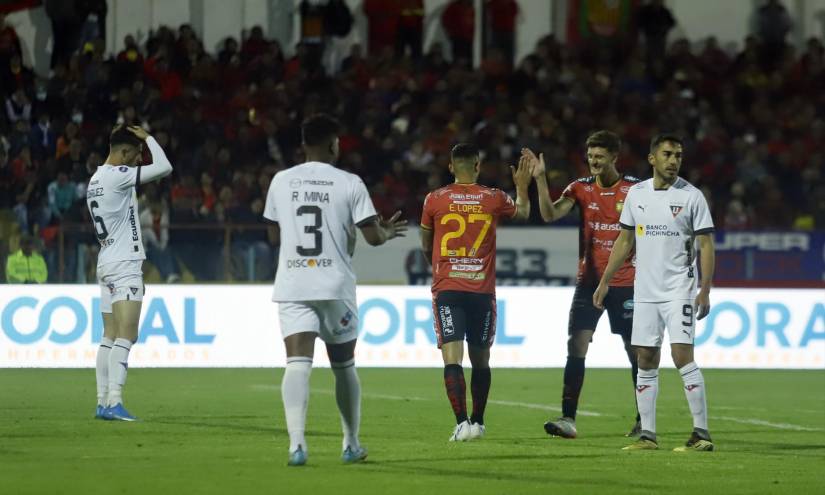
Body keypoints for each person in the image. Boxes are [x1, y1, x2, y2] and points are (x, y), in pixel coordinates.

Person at [263, 113, 407, 466]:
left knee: (297, 363)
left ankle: (297, 445)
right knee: (343, 365)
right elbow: (373, 237)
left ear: (303, 145)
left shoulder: (281, 181)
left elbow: (271, 234)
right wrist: (386, 231)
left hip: (294, 282)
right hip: (335, 285)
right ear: (332, 144)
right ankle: (350, 443)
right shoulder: (349, 182)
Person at [594, 133, 716, 452]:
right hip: (645, 290)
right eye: (667, 154)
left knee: (681, 355)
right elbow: (624, 240)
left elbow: (706, 245)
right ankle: (648, 435)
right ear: (652, 159)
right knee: (645, 358)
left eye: (678, 155)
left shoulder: (692, 197)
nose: (673, 160)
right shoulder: (636, 194)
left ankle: (701, 433)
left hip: (679, 290)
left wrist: (704, 289)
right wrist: (605, 279)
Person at [525, 131, 642, 439]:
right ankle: (568, 419)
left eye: (600, 156)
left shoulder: (634, 190)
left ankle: (645, 419)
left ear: (615, 158)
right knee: (576, 344)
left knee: (636, 352)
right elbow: (549, 214)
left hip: (626, 282)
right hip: (588, 283)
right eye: (591, 156)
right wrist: (539, 180)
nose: (594, 161)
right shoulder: (579, 188)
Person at [419, 143, 531, 442]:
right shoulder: (493, 197)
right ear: (478, 166)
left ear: (451, 167)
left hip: (449, 289)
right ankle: (479, 422)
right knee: (481, 360)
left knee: (452, 359)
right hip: (482, 291)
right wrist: (522, 187)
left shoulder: (435, 199)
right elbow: (523, 213)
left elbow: (425, 244)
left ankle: (461, 423)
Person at [87, 125, 173, 421]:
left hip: (106, 262)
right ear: (123, 152)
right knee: (128, 333)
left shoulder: (95, 179)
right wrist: (149, 137)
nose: (139, 161)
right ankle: (114, 401)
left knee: (109, 335)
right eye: (136, 156)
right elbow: (164, 167)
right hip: (124, 265)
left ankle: (101, 401)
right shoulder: (118, 176)